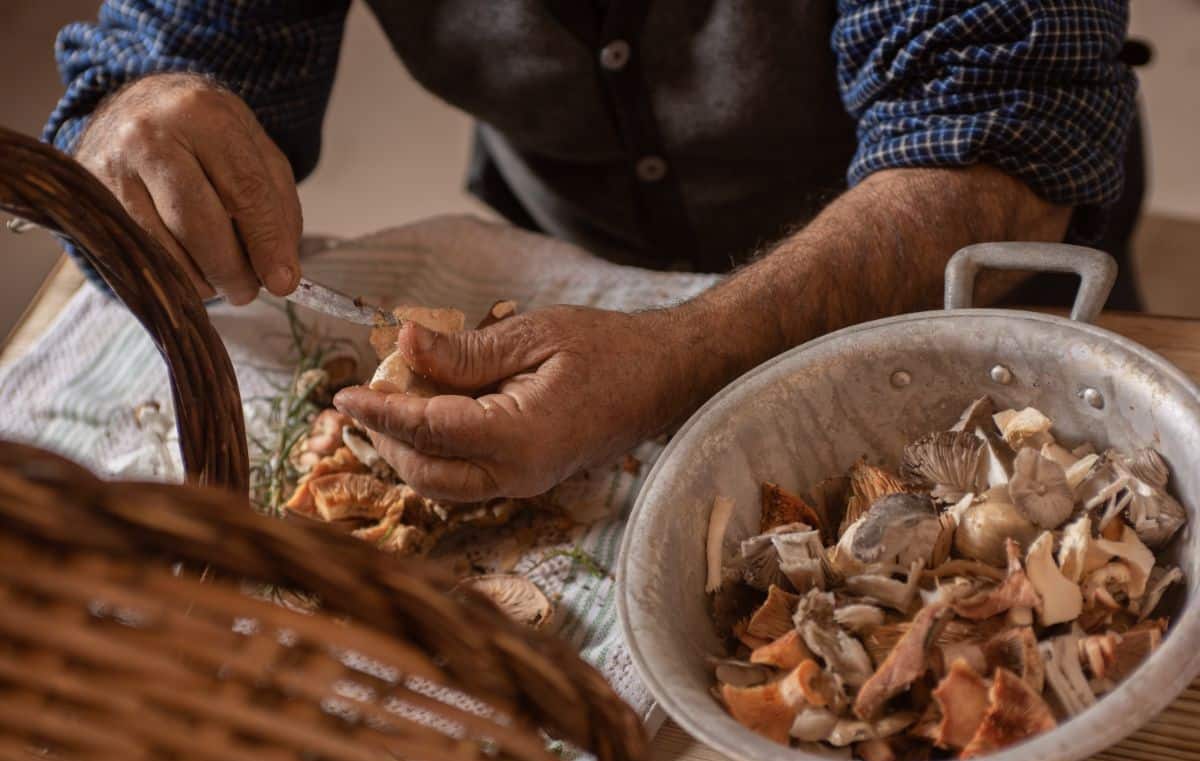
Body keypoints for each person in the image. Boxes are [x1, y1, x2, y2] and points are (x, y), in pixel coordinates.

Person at [46, 1, 1140, 502]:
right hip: (563, 248)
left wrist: (672, 357)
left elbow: (997, 150)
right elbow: (144, 77)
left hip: (966, 305)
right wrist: (131, 130)